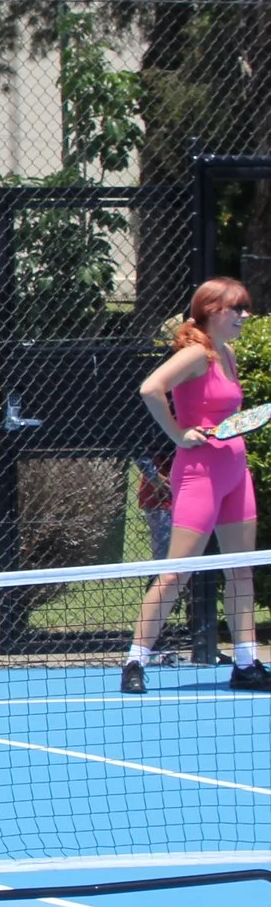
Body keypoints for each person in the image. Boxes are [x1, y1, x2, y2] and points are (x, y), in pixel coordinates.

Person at [125, 277, 266, 694]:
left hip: (235, 473)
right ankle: (135, 660)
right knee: (175, 574)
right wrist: (177, 434)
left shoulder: (228, 353)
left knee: (241, 571)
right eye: (235, 308)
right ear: (211, 312)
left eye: (245, 307)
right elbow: (151, 388)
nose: (244, 315)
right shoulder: (196, 355)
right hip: (199, 473)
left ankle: (246, 664)